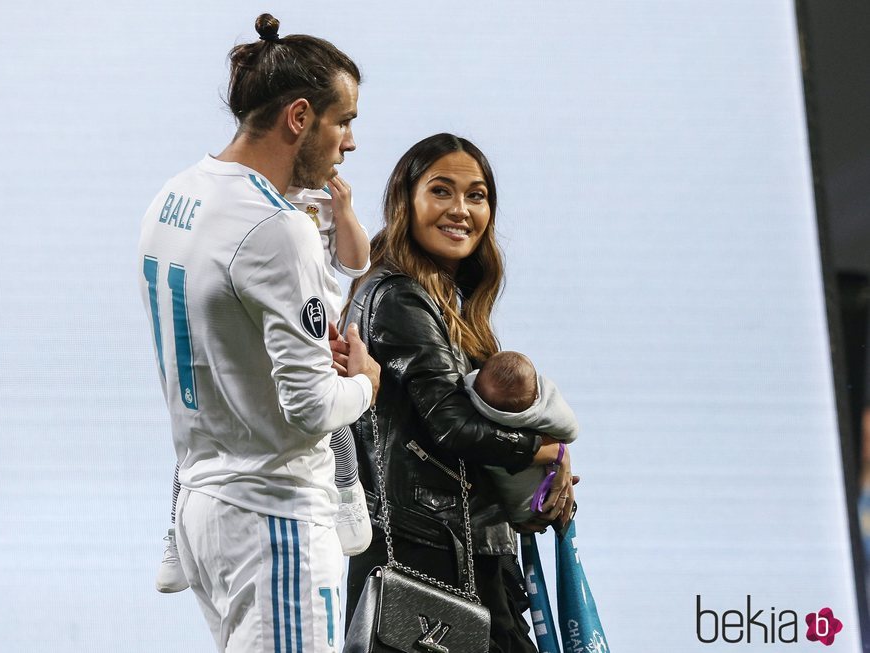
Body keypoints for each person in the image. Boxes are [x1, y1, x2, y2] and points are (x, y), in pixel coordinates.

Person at [137, 13, 380, 652]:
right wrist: (364, 384)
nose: (349, 142)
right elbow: (310, 410)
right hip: (277, 524)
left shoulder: (173, 197)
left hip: (204, 511)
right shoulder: (280, 228)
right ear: (299, 117)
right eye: (343, 120)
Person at [341, 133, 575, 653]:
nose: (461, 210)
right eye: (441, 191)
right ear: (407, 201)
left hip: (455, 559)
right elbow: (453, 425)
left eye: (477, 195)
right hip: (434, 564)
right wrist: (547, 451)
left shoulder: (442, 298)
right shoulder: (400, 295)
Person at [155, 177, 374, 593]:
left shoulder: (317, 200)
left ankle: (347, 493)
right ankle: (176, 534)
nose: (348, 143)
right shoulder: (236, 200)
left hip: (308, 337)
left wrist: (343, 210)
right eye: (341, 124)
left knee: (328, 421)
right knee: (201, 431)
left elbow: (356, 262)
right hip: (245, 336)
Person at [466, 351, 579, 524]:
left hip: (494, 502)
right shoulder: (540, 411)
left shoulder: (470, 395)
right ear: (535, 396)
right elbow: (570, 430)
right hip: (531, 503)